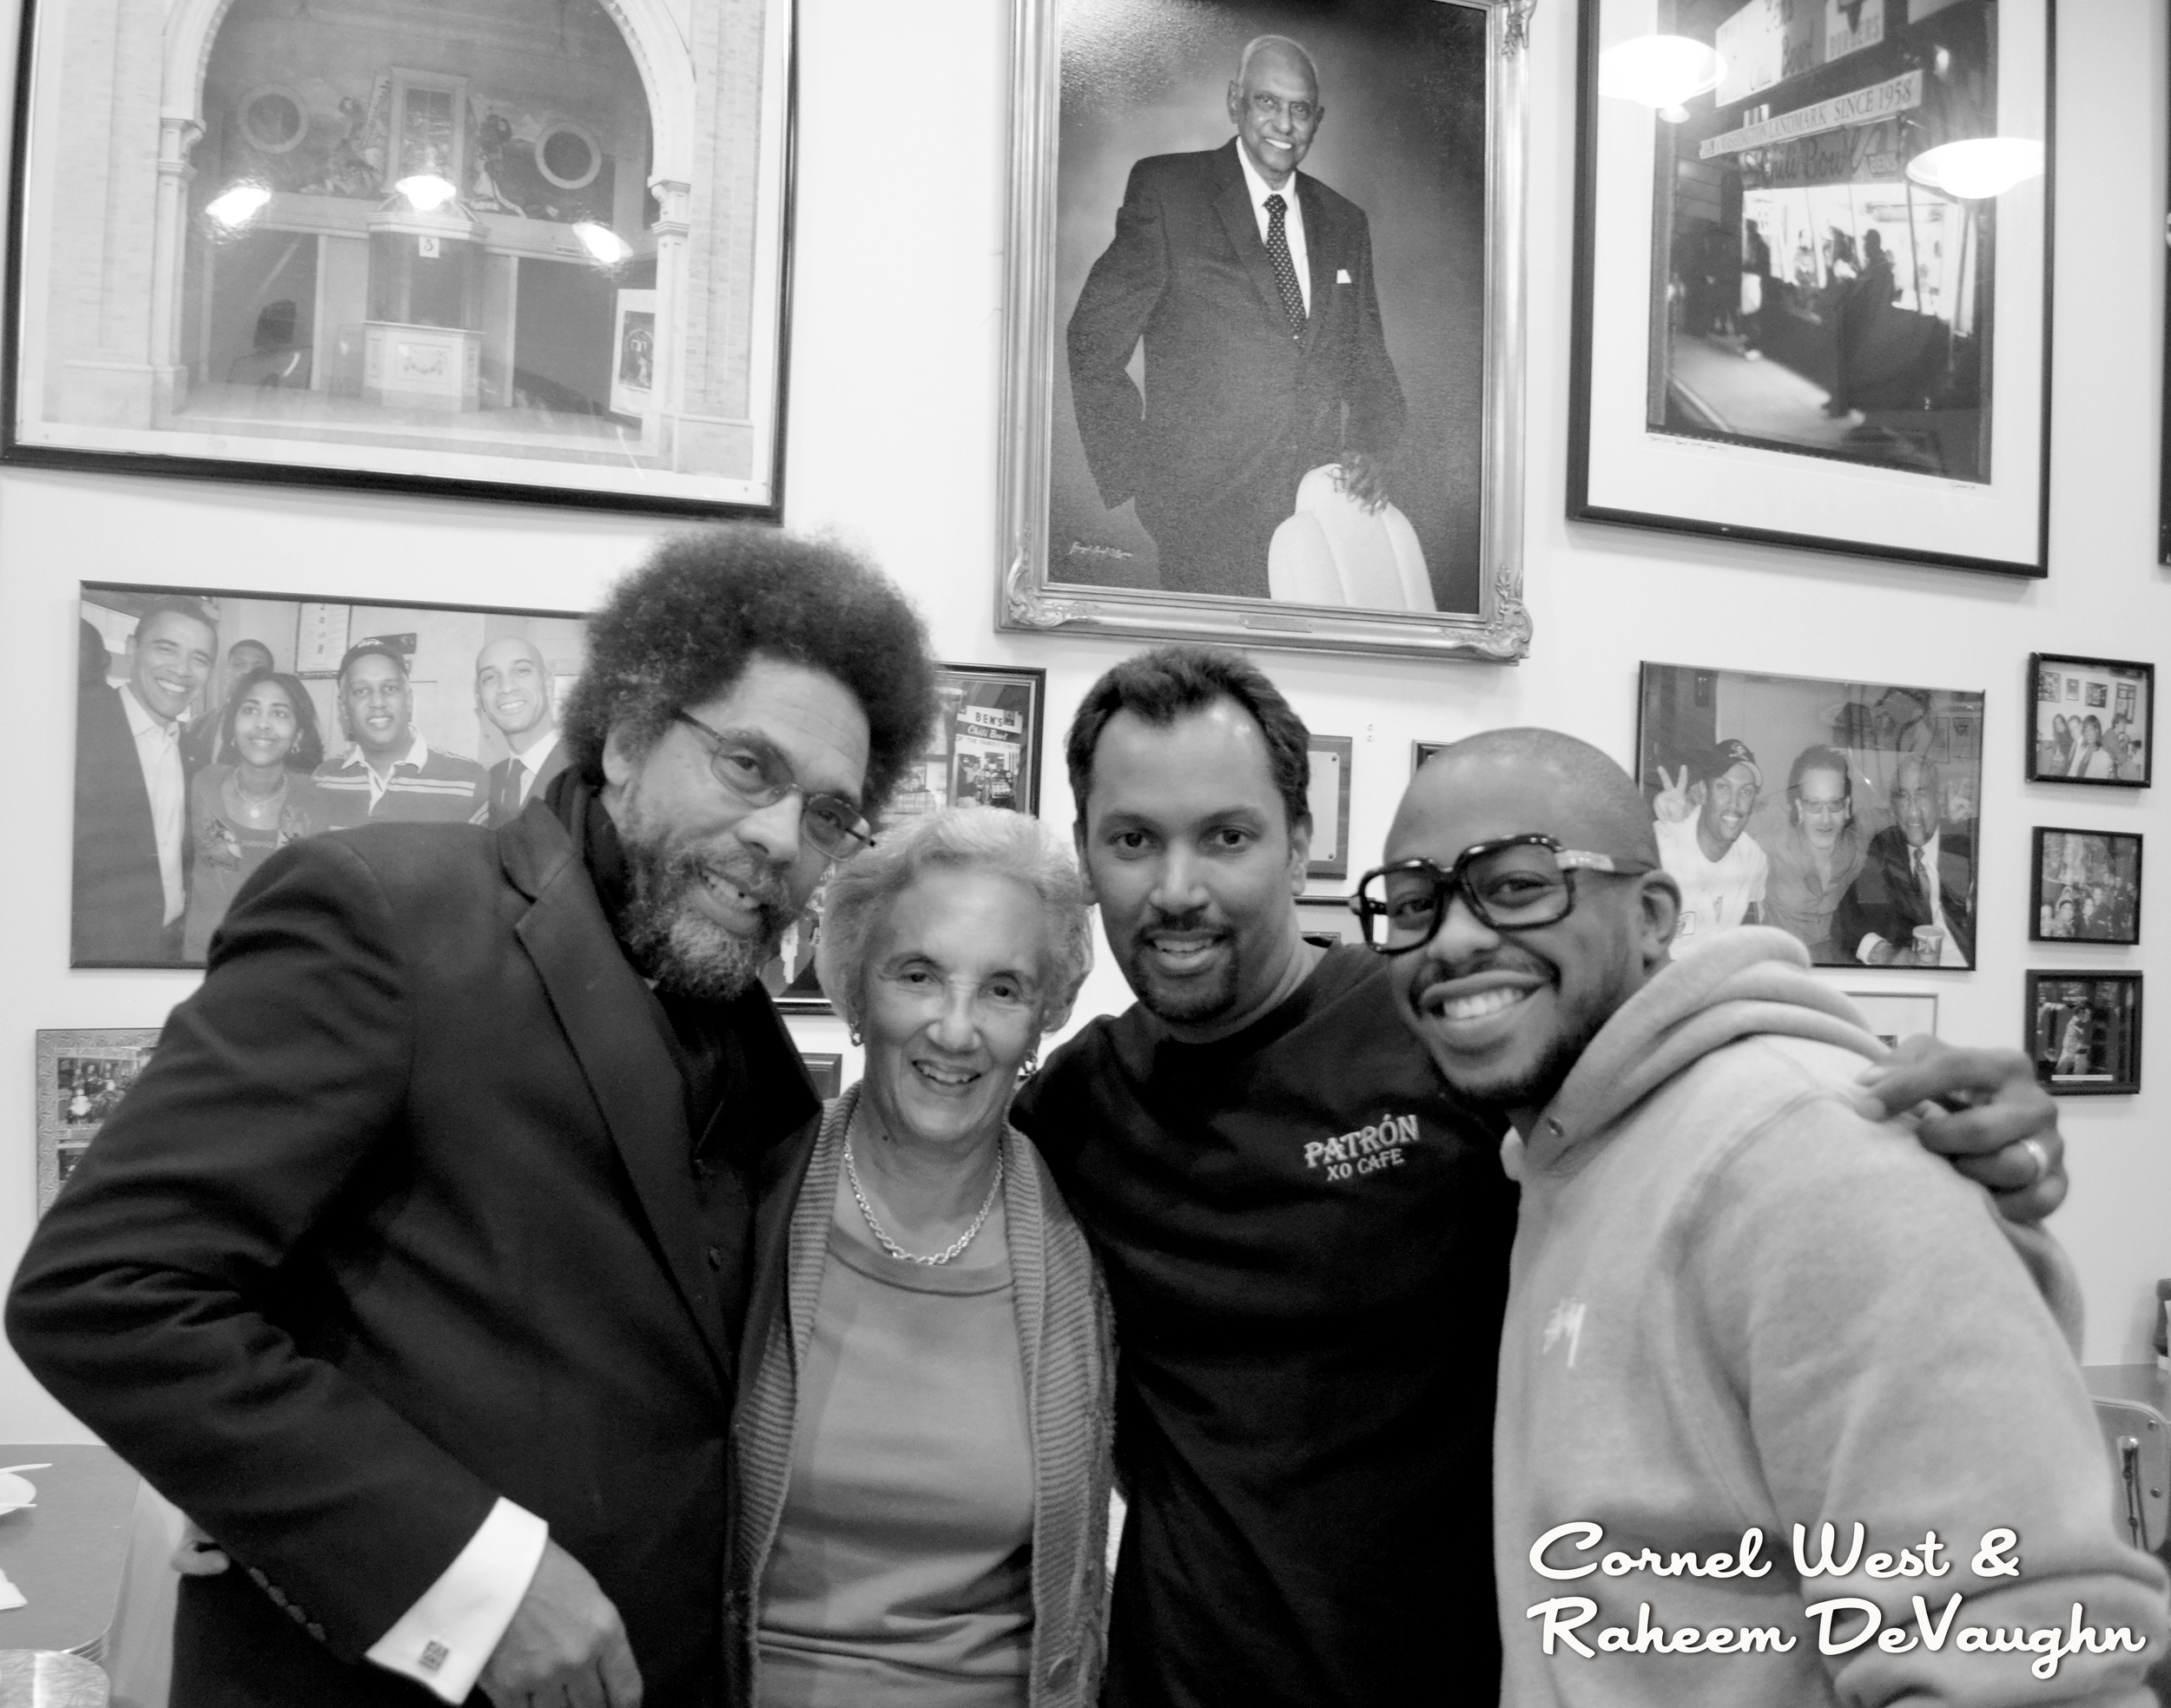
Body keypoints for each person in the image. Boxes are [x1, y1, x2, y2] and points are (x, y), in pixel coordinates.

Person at [1010, 644, 2073, 1708]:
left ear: (1297, 848)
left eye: (1228, 835)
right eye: (1134, 840)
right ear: (1087, 855)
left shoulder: (1448, 1029)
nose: (1178, 886)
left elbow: (1689, 1084)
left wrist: (1932, 1149)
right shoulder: (1072, 1107)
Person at [8, 529, 940, 1708]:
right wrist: (462, 1566)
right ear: (626, 731)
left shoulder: (754, 1047)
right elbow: (106, 1291)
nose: (778, 836)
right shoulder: (382, 912)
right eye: (749, 766)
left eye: (826, 814)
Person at [1369, 729, 2168, 1705]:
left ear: (1656, 913)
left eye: (1521, 884)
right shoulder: (1558, 1151)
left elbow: (2028, 1661)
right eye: (1413, 904)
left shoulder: (1811, 1152)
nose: (1451, 937)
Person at [732, 807, 1112, 1707]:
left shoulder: (1086, 1240)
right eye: (918, 974)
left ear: (1048, 1013)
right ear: (856, 988)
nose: (954, 1028)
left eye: (1003, 988)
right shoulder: (744, 1207)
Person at [1066, 35, 1405, 600]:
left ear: (1316, 120)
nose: (1284, 123)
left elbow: (1368, 365)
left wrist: (1370, 446)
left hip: (1317, 522)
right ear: (1234, 102)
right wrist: (1145, 478)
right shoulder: (1169, 192)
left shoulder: (1346, 222)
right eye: (1267, 102)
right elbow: (1092, 342)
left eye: (1300, 110)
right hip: (1203, 523)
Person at [72, 597, 218, 964]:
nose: (182, 670)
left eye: (199, 658)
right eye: (166, 649)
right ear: (132, 649)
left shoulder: (195, 751)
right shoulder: (75, 729)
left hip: (174, 952)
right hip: (92, 959)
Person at [181, 669, 330, 962]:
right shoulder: (202, 784)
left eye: (280, 714)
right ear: (233, 725)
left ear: (298, 734)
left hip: (275, 965)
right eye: (250, 710)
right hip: (202, 963)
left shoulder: (314, 798)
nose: (263, 725)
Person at [314, 641, 490, 828]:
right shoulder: (323, 781)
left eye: (390, 688)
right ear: (343, 707)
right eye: (361, 691)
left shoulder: (470, 782)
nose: (378, 701)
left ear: (408, 699)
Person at [1834, 754, 1976, 966]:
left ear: (1939, 799)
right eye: (1903, 797)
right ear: (1893, 806)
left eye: (1921, 795)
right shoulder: (1886, 847)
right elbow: (1848, 918)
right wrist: (1887, 954)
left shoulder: (1965, 845)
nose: (1912, 811)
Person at [1647, 738, 1768, 941]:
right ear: (1703, 792)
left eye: (1746, 791)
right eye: (1723, 787)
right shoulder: (1659, 851)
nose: (1735, 803)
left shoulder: (1752, 858)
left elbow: (1751, 926)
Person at [1756, 744, 1866, 961]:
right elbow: (1726, 818)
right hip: (1782, 962)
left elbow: (1902, 815)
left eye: (1834, 804)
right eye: (1814, 805)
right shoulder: (1773, 829)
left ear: (1846, 806)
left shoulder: (1861, 836)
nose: (1825, 819)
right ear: (1799, 807)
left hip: (1839, 966)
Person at [477, 636, 568, 827]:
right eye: (490, 677)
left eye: (521, 671)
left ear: (549, 685)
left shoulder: (587, 771)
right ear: (480, 699)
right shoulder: (492, 779)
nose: (506, 688)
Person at [184, 637, 277, 769]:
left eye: (257, 667)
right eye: (238, 664)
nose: (246, 671)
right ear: (225, 672)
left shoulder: (278, 728)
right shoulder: (195, 725)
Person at [2069, 713, 2116, 780]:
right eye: (2085, 730)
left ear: (2097, 730)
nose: (2087, 733)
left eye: (2090, 729)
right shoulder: (2085, 749)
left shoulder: (2103, 755)